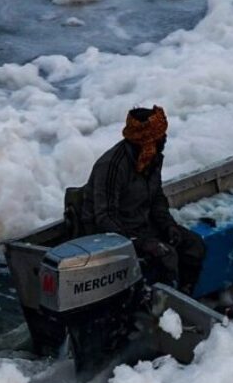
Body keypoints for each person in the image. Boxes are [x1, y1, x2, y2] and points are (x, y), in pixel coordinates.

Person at [80, 106, 206, 295]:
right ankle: (163, 307)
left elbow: (157, 199)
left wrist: (168, 226)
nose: (165, 139)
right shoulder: (112, 166)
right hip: (113, 236)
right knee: (166, 257)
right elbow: (105, 217)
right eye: (160, 136)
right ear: (147, 140)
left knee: (193, 246)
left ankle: (186, 297)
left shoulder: (151, 159)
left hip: (143, 225)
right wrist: (139, 243)